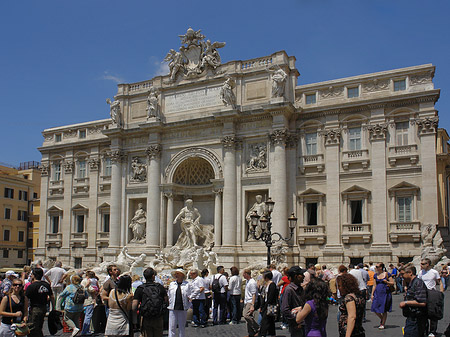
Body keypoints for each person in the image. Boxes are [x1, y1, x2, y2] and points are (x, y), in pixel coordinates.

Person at [132, 268, 166, 337]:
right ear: (153, 276)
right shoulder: (160, 287)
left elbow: (134, 305)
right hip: (158, 317)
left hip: (145, 317)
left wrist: (134, 318)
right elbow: (166, 301)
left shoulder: (140, 288)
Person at [399, 266, 428, 337]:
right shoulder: (411, 283)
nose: (401, 276)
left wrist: (406, 302)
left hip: (416, 319)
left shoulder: (418, 283)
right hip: (411, 317)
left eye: (402, 274)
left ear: (410, 273)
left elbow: (422, 302)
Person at [418, 258, 444, 336]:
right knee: (423, 312)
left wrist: (441, 292)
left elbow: (439, 282)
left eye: (423, 264)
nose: (421, 265)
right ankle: (425, 330)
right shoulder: (420, 273)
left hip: (432, 293)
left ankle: (432, 331)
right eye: (421, 263)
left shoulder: (434, 272)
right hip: (423, 293)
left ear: (427, 264)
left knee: (433, 313)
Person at [26, 268, 54, 337]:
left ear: (33, 275)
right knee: (40, 324)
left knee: (33, 326)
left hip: (35, 308)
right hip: (44, 307)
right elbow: (52, 297)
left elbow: (26, 299)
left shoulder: (31, 286)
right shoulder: (46, 285)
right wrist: (53, 307)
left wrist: (25, 311)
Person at [281, 266, 306, 337]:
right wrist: (295, 321)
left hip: (303, 323)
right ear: (296, 276)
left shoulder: (300, 288)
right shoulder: (289, 290)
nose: (304, 276)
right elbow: (285, 309)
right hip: (297, 325)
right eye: (301, 274)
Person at [167, 269, 192, 337]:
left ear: (182, 275)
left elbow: (190, 295)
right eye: (176, 274)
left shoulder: (187, 284)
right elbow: (169, 294)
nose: (176, 275)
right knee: (172, 326)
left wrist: (189, 304)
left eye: (178, 273)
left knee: (182, 326)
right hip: (172, 307)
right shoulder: (172, 284)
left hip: (182, 307)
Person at [370, 263, 394, 330]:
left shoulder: (387, 274)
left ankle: (382, 323)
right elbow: (374, 285)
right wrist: (372, 294)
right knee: (374, 308)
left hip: (385, 293)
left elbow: (392, 283)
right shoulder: (375, 275)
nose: (376, 268)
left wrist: (387, 282)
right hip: (377, 293)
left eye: (377, 267)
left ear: (381, 267)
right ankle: (382, 319)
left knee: (384, 309)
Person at [259, 271, 277, 337]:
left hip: (270, 305)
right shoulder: (266, 284)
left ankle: (262, 334)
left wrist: (266, 305)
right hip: (266, 304)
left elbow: (271, 296)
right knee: (270, 320)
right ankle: (272, 333)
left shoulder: (272, 285)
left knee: (265, 320)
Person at [81, 271, 98, 336]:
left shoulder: (83, 281)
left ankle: (85, 330)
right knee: (88, 316)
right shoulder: (88, 281)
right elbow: (91, 290)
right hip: (89, 300)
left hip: (85, 300)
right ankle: (85, 331)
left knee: (86, 315)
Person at [243, 268, 259, 337]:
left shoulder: (252, 282)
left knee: (246, 315)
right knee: (247, 319)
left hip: (250, 302)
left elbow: (254, 294)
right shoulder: (247, 281)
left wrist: (252, 305)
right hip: (247, 301)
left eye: (243, 274)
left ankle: (258, 328)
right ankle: (251, 333)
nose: (243, 275)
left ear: (246, 274)